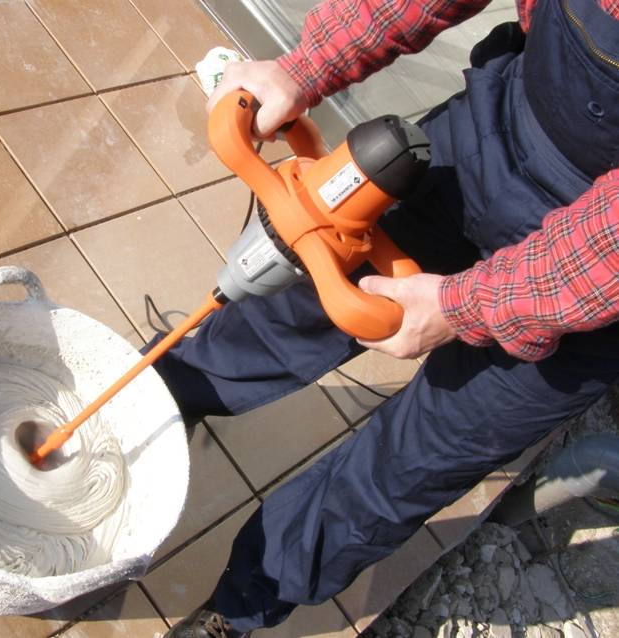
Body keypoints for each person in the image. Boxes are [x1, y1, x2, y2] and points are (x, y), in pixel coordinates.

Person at [150, 0, 619, 636]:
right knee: (300, 300)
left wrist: (468, 306)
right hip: (498, 127)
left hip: (594, 290)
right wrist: (307, 66)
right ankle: (161, 402)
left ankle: (243, 602)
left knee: (411, 463)